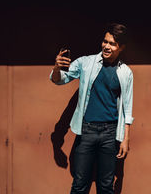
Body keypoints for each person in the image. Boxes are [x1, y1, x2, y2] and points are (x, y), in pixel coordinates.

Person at [50, 23, 134, 194]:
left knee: (105, 185)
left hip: (110, 133)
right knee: (80, 183)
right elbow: (59, 80)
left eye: (112, 44)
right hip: (86, 131)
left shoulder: (125, 72)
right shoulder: (86, 63)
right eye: (105, 41)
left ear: (121, 47)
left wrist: (125, 139)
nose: (106, 46)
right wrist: (57, 68)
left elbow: (127, 107)